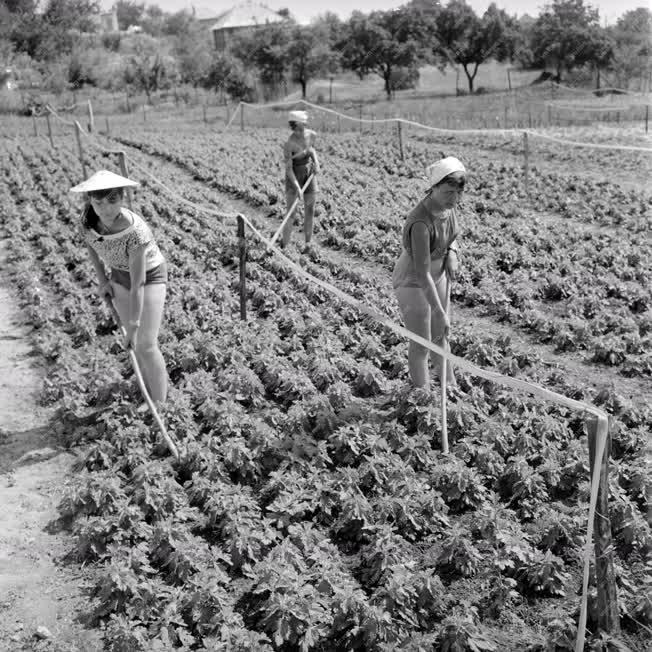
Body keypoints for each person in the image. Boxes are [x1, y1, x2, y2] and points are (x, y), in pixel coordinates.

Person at [70, 170, 169, 404]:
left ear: (122, 198)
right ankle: (149, 395)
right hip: (118, 274)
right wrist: (103, 280)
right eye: (99, 202)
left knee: (145, 343)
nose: (105, 209)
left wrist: (134, 326)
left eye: (112, 201)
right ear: (90, 201)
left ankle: (161, 404)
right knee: (135, 345)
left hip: (150, 276)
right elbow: (93, 248)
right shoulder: (86, 223)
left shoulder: (135, 231)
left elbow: (139, 283)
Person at [392, 157, 466, 389]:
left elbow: (452, 236)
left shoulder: (448, 208)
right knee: (422, 343)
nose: (454, 198)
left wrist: (452, 252)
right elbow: (422, 273)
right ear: (433, 188)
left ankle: (450, 388)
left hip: (439, 276)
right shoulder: (420, 223)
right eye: (447, 192)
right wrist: (438, 311)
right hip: (414, 282)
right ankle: (422, 394)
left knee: (441, 337)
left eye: (457, 192)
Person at [281, 110, 321, 248]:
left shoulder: (311, 135)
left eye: (303, 125)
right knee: (291, 212)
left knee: (310, 209)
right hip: (294, 176)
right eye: (298, 126)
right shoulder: (289, 143)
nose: (300, 129)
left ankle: (308, 244)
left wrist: (316, 162)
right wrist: (297, 186)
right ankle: (284, 245)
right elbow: (289, 169)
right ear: (294, 125)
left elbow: (311, 150)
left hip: (308, 173)